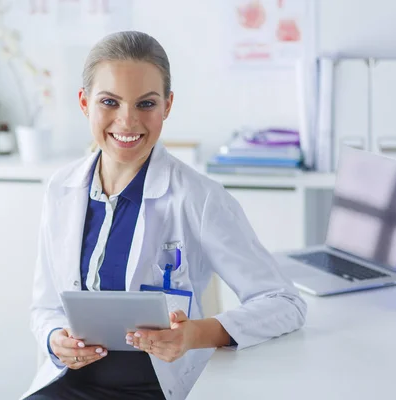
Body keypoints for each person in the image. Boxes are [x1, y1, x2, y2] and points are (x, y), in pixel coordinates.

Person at [21, 31, 306, 400]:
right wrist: (54, 338)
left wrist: (196, 334)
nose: (127, 121)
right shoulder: (62, 189)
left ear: (167, 106)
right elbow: (45, 306)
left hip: (155, 389)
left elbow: (285, 303)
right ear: (84, 103)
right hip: (67, 385)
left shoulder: (199, 198)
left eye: (145, 104)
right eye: (109, 101)